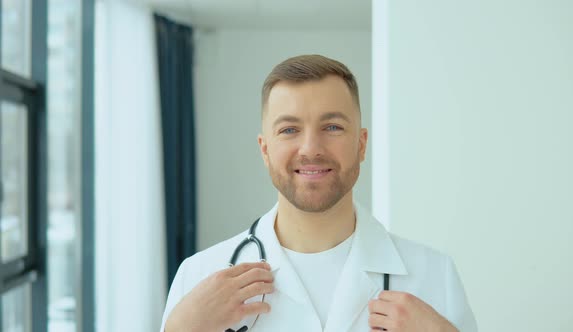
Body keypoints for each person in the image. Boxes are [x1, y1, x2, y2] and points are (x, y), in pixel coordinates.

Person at [160, 55, 478, 332]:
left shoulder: (434, 276)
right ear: (265, 149)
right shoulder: (199, 275)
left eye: (332, 127)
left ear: (362, 144)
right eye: (289, 130)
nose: (311, 148)